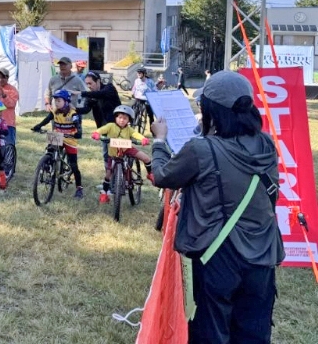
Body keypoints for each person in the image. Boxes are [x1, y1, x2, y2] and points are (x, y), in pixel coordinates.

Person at [150, 71, 283, 344]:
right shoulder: (266, 143)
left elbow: (163, 176)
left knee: (210, 333)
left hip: (217, 254)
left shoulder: (201, 150)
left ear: (212, 111)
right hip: (262, 254)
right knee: (254, 333)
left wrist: (159, 141)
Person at [91, 104, 152, 204]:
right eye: (120, 117)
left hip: (127, 149)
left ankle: (150, 174)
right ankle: (104, 193)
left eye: (125, 118)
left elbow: (135, 134)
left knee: (146, 158)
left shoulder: (129, 129)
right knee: (108, 174)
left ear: (129, 120)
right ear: (115, 117)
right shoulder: (110, 126)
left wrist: (143, 139)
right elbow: (102, 129)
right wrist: (97, 133)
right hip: (113, 153)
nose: (122, 120)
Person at [79, 71, 122, 170]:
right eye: (87, 84)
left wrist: (82, 93)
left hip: (117, 127)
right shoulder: (92, 95)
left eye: (90, 83)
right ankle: (109, 177)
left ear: (98, 81)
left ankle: (122, 174)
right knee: (106, 155)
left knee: (118, 154)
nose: (88, 86)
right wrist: (72, 109)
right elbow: (86, 109)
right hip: (104, 129)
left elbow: (101, 94)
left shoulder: (109, 88)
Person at [31, 56, 86, 132]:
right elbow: (47, 93)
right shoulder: (53, 79)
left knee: (71, 135)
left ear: (70, 66)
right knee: (56, 135)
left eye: (65, 64)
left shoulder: (77, 80)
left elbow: (85, 94)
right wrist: (47, 104)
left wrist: (79, 107)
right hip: (56, 113)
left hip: (71, 114)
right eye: (61, 65)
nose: (62, 66)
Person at [49, 90, 83, 199]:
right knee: (49, 151)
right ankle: (47, 168)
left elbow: (77, 125)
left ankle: (79, 188)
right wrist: (38, 126)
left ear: (66, 102)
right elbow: (47, 119)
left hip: (69, 139)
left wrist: (78, 132)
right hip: (57, 136)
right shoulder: (55, 111)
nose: (56, 103)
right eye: (55, 101)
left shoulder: (73, 113)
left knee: (74, 165)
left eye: (59, 101)